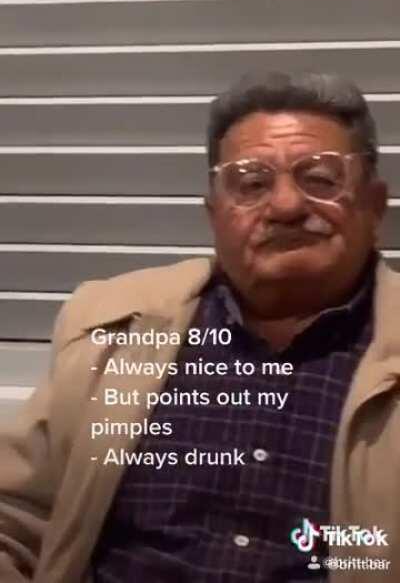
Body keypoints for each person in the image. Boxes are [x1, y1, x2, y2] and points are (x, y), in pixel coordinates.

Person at [0, 71, 398, 583]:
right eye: (252, 184)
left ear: (374, 205)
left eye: (320, 179)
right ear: (214, 216)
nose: (286, 206)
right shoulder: (111, 326)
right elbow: (16, 516)